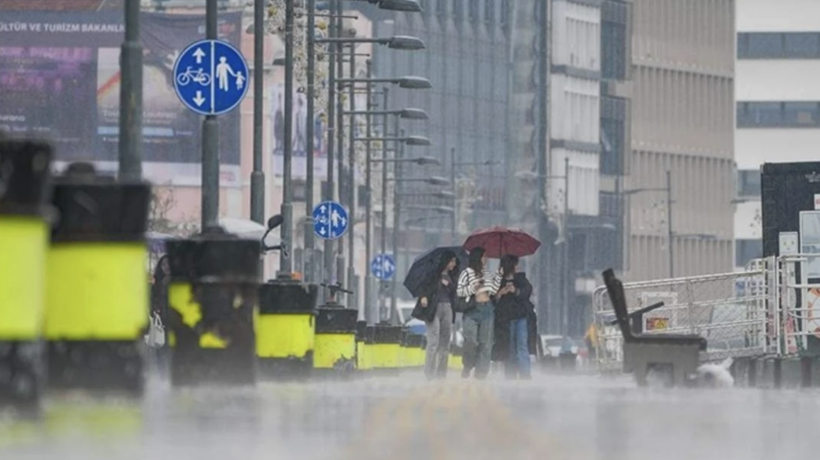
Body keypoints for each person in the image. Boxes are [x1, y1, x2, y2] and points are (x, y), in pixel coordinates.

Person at [457, 247, 501, 380]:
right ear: (478, 257)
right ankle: (468, 364)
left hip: (487, 308)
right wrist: (473, 287)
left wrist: (498, 275)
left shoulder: (487, 273)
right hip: (472, 309)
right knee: (470, 340)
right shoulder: (466, 272)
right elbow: (459, 291)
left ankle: (481, 373)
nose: (486, 259)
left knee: (486, 343)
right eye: (484, 256)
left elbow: (493, 290)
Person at [413, 250, 458, 380]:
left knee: (445, 343)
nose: (454, 264)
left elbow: (455, 293)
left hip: (448, 308)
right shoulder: (432, 275)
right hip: (433, 309)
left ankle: (441, 374)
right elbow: (423, 287)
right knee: (433, 341)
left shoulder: (453, 276)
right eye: (452, 261)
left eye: (455, 261)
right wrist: (423, 297)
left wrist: (449, 284)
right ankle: (429, 373)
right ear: (446, 261)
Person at [492, 255, 535, 379]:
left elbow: (527, 291)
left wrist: (515, 290)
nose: (517, 267)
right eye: (515, 264)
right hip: (506, 319)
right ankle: (510, 374)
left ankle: (525, 374)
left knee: (522, 345)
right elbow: (492, 299)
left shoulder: (521, 279)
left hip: (521, 316)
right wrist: (500, 293)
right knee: (509, 347)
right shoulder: (497, 281)